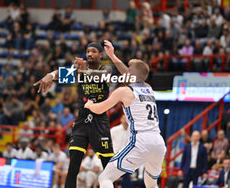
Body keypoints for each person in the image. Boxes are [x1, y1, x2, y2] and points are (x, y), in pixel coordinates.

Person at [85, 40, 166, 188]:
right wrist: (113, 56)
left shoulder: (124, 91)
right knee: (151, 184)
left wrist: (90, 105)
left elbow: (100, 109)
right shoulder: (148, 88)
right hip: (158, 142)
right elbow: (131, 76)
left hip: (141, 141)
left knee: (105, 178)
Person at [34, 42, 114, 188]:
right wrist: (49, 75)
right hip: (82, 122)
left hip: (100, 122)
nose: (90, 54)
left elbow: (102, 76)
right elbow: (59, 74)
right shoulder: (79, 71)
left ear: (100, 55)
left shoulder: (106, 69)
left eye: (94, 51)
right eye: (88, 51)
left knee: (108, 169)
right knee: (73, 168)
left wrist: (83, 72)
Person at [110, 115, 132, 188]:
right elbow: (109, 142)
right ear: (120, 120)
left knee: (126, 178)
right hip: (115, 157)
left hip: (128, 158)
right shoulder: (114, 130)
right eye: (123, 118)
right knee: (112, 177)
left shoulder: (132, 131)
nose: (125, 119)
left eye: (127, 118)